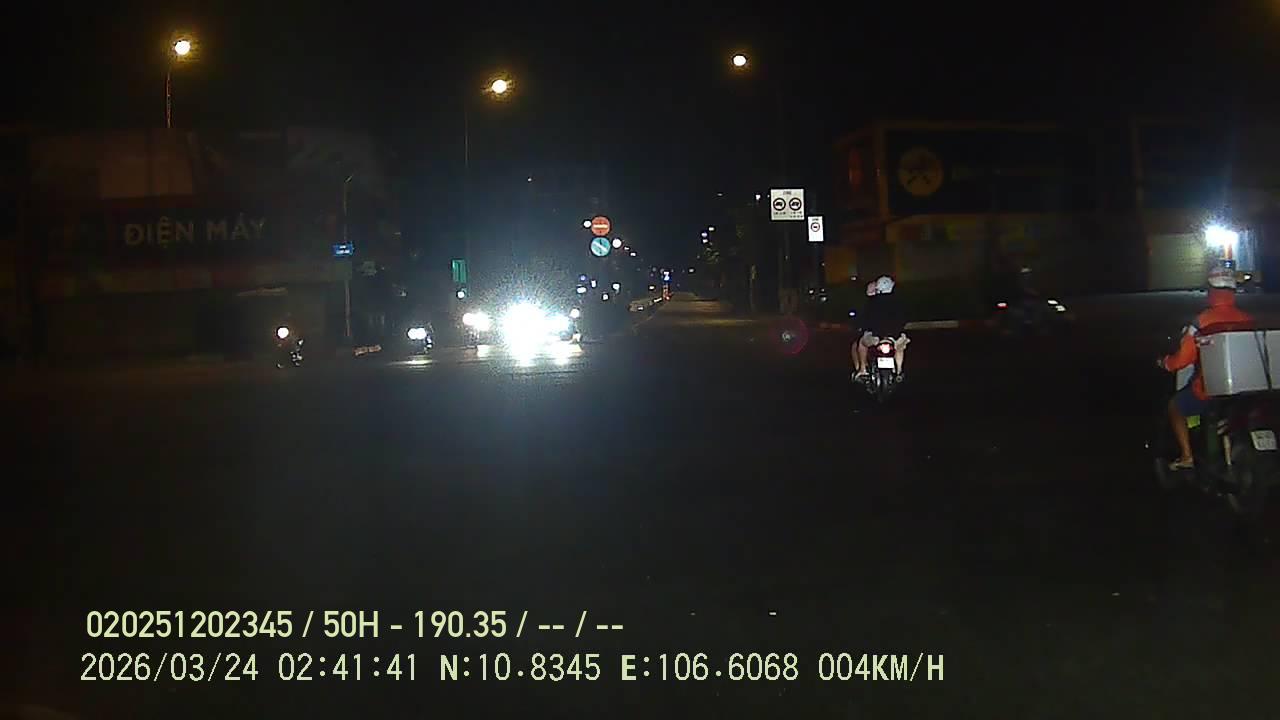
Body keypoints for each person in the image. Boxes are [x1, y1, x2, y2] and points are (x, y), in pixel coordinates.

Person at [1158, 265, 1253, 470]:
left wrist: (1165, 363)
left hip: (1210, 389)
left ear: (1211, 291)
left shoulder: (1202, 321)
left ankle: (1187, 456)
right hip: (1247, 388)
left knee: (1176, 406)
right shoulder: (1246, 318)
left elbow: (1182, 360)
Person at [852, 275, 909, 379]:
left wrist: (862, 326)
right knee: (900, 348)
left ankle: (862, 370)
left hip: (875, 337)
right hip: (894, 337)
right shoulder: (898, 301)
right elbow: (903, 319)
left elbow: (865, 318)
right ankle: (899, 371)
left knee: (861, 344)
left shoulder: (872, 302)